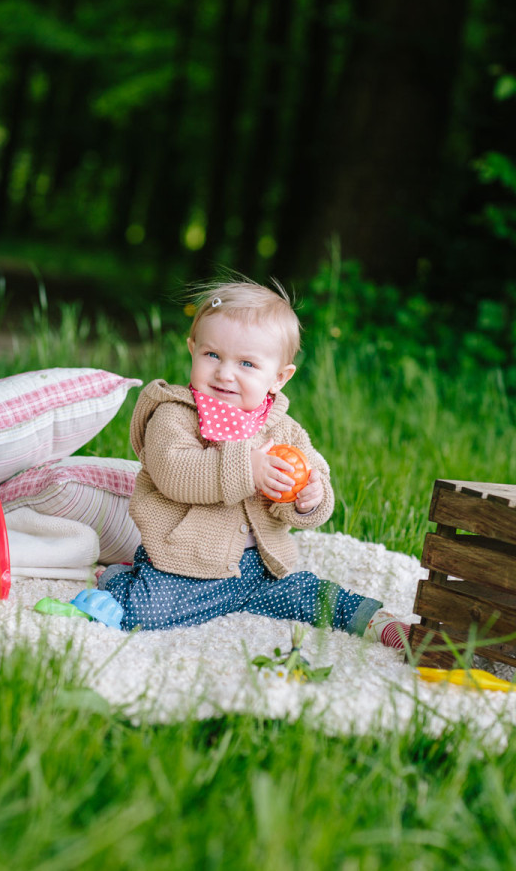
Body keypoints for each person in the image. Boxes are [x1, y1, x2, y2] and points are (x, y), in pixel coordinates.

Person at [97, 278, 409, 650]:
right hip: (183, 566)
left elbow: (313, 474)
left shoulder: (283, 429)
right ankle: (119, 578)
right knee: (141, 615)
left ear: (279, 377)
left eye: (246, 363)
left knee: (310, 595)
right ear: (192, 350)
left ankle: (376, 621)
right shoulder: (174, 415)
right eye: (212, 355)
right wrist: (249, 469)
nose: (226, 373)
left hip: (261, 569)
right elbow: (174, 473)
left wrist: (310, 496)